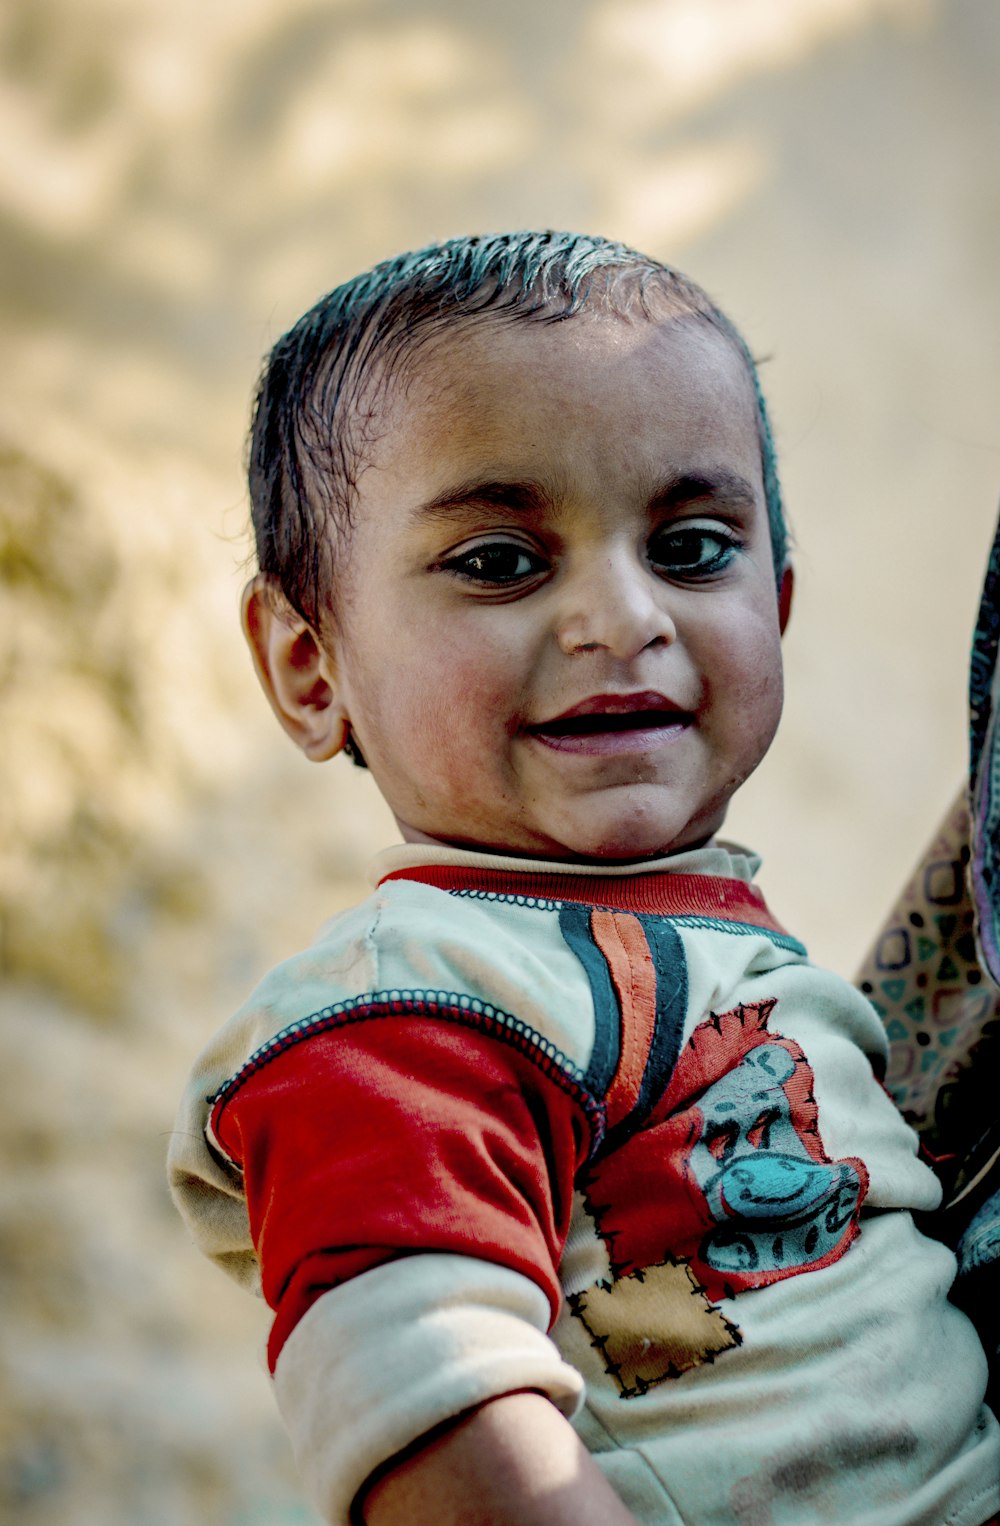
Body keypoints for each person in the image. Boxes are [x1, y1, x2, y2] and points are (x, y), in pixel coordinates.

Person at [168, 231, 1000, 1526]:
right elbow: (447, 1427)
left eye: (692, 547)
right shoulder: (410, 1011)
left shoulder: (733, 943)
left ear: (778, 599)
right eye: (502, 560)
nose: (623, 617)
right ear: (310, 664)